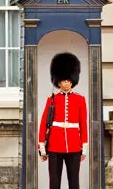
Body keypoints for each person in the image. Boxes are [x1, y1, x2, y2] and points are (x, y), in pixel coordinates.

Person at [38, 52, 88, 189]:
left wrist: (84, 147)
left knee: (74, 181)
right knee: (54, 181)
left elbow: (83, 124)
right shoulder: (52, 99)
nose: (66, 82)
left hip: (73, 145)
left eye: (68, 80)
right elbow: (44, 123)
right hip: (54, 145)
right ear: (58, 81)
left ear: (73, 80)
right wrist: (42, 146)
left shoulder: (80, 99)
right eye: (63, 80)